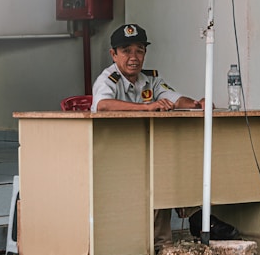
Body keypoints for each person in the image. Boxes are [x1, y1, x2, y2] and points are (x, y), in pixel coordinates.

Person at [92, 24, 237, 251]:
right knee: (158, 176)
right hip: (112, 156)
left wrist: (196, 104)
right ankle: (177, 233)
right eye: (126, 51)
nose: (133, 57)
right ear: (114, 54)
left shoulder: (149, 80)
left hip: (143, 152)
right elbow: (102, 105)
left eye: (139, 50)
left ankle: (183, 228)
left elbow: (175, 98)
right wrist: (146, 108)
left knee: (171, 167)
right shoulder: (108, 79)